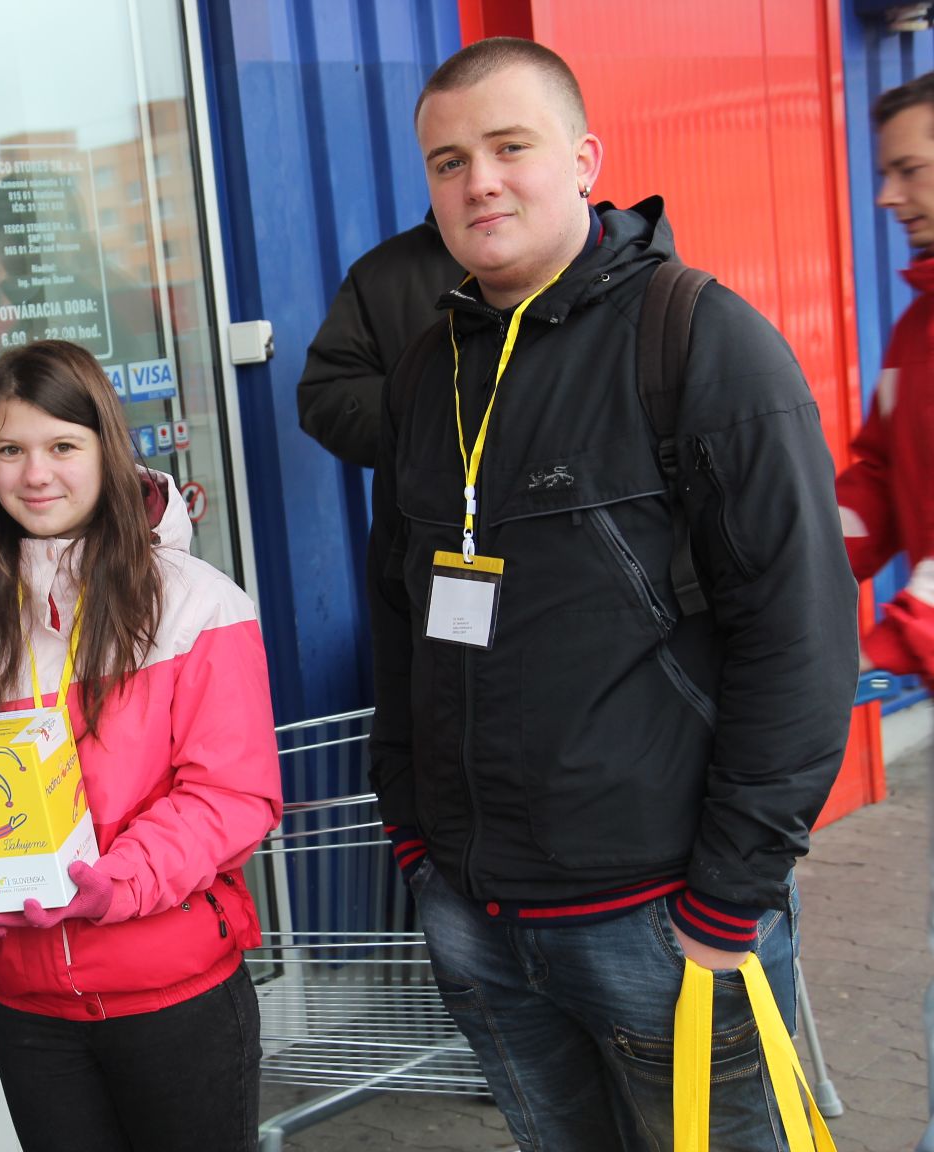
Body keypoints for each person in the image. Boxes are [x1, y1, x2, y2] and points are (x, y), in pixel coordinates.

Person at [368, 37, 857, 1150]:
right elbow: (400, 611)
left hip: (662, 919)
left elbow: (799, 636)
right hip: (478, 914)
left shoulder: (700, 340)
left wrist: (729, 896)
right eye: (449, 161)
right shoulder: (427, 371)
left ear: (585, 159)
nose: (479, 182)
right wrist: (414, 833)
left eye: (510, 147)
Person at [0, 339, 282, 1152]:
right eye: (10, 450)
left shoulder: (196, 604)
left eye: (62, 446)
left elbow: (232, 795)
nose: (35, 474)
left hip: (173, 997)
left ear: (105, 450)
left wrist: (113, 884)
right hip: (26, 1007)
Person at [835, 70, 934, 1152]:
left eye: (910, 170)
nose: (888, 195)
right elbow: (877, 482)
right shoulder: (919, 328)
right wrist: (785, 557)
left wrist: (865, 652)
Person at [296, 213, 464, 468]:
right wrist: (428, 417)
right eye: (450, 169)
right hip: (438, 488)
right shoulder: (381, 275)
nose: (479, 191)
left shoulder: (538, 263)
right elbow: (323, 395)